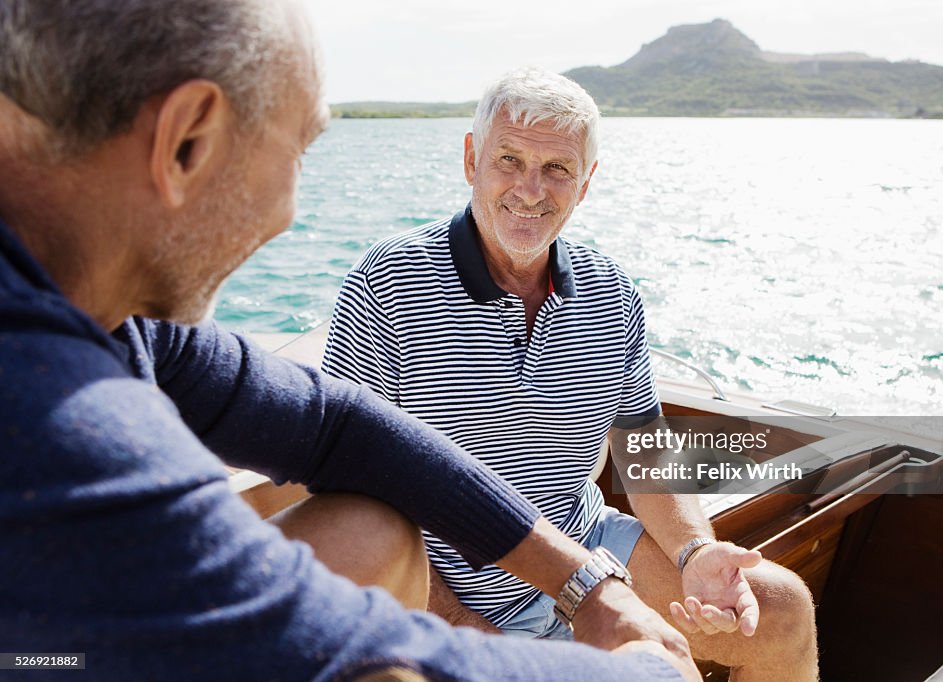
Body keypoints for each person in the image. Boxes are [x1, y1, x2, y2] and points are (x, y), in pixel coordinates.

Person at [0, 2, 701, 680]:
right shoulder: (47, 400)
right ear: (189, 137)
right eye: (302, 149)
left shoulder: (111, 318)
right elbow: (299, 633)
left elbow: (344, 427)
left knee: (370, 526)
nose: (291, 212)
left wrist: (584, 585)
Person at [323, 67, 819, 680]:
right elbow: (354, 504)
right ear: (472, 158)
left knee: (782, 610)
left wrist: (695, 551)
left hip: (588, 552)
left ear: (585, 183)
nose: (531, 190)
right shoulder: (385, 287)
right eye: (510, 159)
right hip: (448, 589)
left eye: (557, 168)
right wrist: (480, 644)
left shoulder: (611, 289)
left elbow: (645, 453)